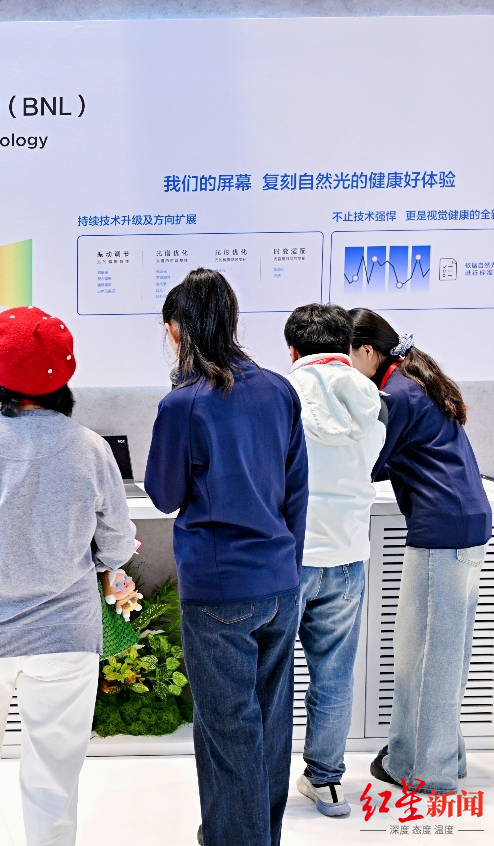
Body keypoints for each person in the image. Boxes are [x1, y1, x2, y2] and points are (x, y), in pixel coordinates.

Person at [0, 306, 137, 845]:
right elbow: (115, 546)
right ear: (65, 372)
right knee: (54, 781)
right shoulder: (92, 450)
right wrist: (95, 558)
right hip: (66, 638)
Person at [144, 269, 307, 846]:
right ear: (234, 322)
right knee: (270, 724)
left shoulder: (183, 404)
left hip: (219, 589)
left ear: (177, 330)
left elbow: (164, 495)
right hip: (279, 581)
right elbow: (297, 491)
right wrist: (287, 566)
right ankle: (251, 834)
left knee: (227, 733)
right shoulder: (280, 390)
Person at [348, 308, 491, 795]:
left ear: (368, 351)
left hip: (442, 529)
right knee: (440, 653)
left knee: (427, 656)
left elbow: (369, 462)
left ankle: (427, 772)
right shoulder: (413, 380)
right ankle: (439, 757)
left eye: (347, 355)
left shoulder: (395, 394)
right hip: (463, 524)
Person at [282, 304, 386, 816]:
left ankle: (264, 783)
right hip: (348, 554)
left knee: (273, 675)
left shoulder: (283, 394)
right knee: (334, 675)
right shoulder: (372, 398)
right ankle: (325, 782)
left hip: (291, 556)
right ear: (346, 345)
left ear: (293, 350)